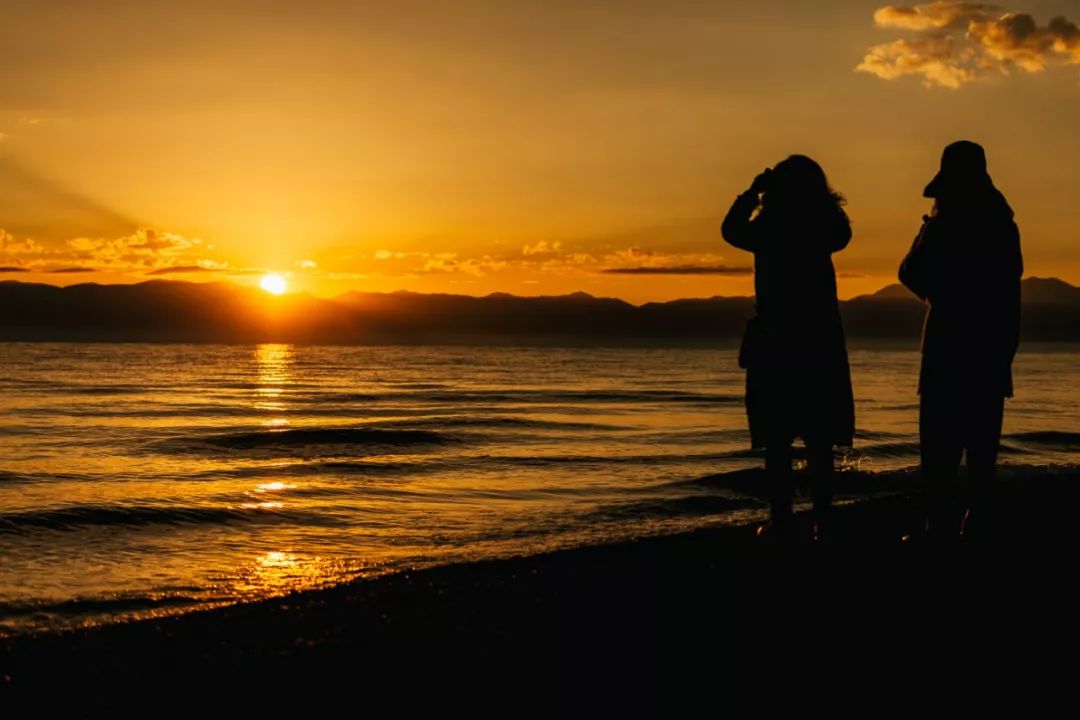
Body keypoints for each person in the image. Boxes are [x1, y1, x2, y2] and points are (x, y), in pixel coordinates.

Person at [722, 155, 855, 541]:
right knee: (819, 436)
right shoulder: (822, 226)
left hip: (777, 337)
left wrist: (752, 192)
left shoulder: (770, 227)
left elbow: (731, 230)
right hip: (819, 337)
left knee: (778, 437)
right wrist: (822, 201)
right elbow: (842, 234)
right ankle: (822, 517)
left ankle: (782, 517)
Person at [899, 140, 1022, 543]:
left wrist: (926, 230)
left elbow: (910, 272)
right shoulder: (1002, 222)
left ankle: (938, 528)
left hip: (948, 346)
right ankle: (978, 523)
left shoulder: (945, 225)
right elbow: (1009, 284)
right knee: (981, 448)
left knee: (940, 447)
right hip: (991, 346)